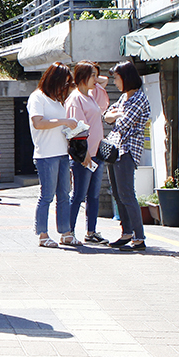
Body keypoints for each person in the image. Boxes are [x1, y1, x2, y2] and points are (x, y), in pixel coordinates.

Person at [28, 62, 79, 248]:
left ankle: (66, 233)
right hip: (46, 154)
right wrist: (64, 121)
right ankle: (42, 234)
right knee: (47, 195)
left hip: (62, 153)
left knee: (64, 194)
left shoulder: (58, 100)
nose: (64, 87)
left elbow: (57, 125)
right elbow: (38, 123)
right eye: (63, 83)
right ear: (54, 80)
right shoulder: (37, 98)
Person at [103, 61, 152, 251]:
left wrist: (114, 116)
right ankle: (126, 232)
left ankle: (139, 238)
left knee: (127, 194)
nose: (115, 82)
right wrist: (114, 115)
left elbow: (122, 124)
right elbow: (106, 116)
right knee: (117, 194)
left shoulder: (139, 98)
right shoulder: (124, 98)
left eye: (116, 78)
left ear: (126, 78)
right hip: (114, 150)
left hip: (127, 151)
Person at [66, 62, 108, 244]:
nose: (96, 79)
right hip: (85, 156)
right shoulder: (76, 99)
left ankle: (91, 232)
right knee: (78, 195)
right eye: (92, 75)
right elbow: (77, 130)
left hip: (96, 154)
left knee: (93, 195)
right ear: (83, 77)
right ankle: (68, 231)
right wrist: (85, 155)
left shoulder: (89, 96)